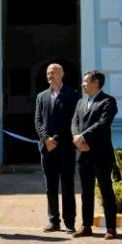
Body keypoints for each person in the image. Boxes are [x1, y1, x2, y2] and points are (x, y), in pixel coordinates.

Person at [72, 70, 118, 240]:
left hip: (100, 154)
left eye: (86, 81)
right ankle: (86, 226)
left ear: (96, 82)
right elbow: (74, 122)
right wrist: (77, 138)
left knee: (106, 190)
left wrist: (83, 137)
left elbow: (103, 123)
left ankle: (111, 228)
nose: (83, 84)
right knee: (86, 191)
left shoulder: (108, 101)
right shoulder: (81, 103)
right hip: (82, 154)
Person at [34, 63, 79, 233]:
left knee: (67, 186)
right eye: (48, 73)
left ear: (62, 74)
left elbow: (73, 120)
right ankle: (53, 220)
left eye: (53, 73)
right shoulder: (41, 96)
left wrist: (56, 138)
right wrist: (46, 138)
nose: (50, 76)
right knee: (50, 186)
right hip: (47, 148)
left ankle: (69, 222)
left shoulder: (72, 94)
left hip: (65, 147)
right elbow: (38, 121)